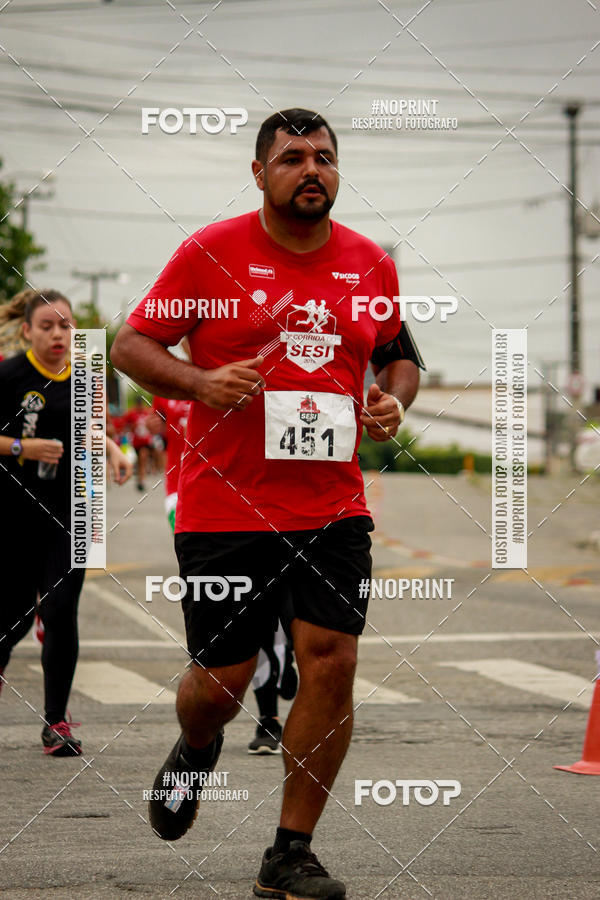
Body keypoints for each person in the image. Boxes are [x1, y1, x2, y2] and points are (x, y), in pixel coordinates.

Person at [111, 108, 423, 899]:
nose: (311, 169)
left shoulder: (368, 264)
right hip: (224, 505)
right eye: (292, 158)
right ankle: (195, 743)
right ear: (260, 174)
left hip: (332, 505)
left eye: (324, 157)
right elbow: (131, 345)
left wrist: (392, 402)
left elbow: (398, 357)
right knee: (223, 682)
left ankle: (290, 851)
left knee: (333, 661)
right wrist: (198, 381)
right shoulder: (209, 253)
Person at [0, 289, 132, 755]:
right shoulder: (10, 373)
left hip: (75, 509)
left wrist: (115, 451)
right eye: (49, 326)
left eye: (67, 325)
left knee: (59, 611)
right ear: (28, 331)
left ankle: (56, 723)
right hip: (14, 514)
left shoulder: (89, 370)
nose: (60, 334)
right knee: (12, 621)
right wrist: (23, 447)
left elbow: (93, 426)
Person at [149, 349, 298, 755]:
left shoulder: (240, 368)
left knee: (272, 598)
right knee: (244, 606)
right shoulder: (168, 385)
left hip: (265, 492)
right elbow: (157, 429)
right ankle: (268, 716)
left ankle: (274, 701)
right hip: (190, 498)